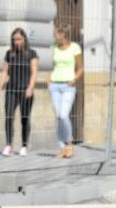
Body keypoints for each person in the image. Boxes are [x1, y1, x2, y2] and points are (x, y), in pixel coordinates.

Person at [0, 28, 38, 156]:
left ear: (24, 39)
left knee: (24, 118)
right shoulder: (9, 54)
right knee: (9, 116)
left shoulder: (32, 54)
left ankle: (24, 145)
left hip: (26, 91)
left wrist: (30, 87)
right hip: (11, 90)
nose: (16, 42)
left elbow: (34, 72)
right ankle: (9, 145)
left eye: (19, 39)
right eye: (14, 40)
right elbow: (4, 72)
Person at [49, 25, 83, 158]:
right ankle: (62, 148)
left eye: (56, 34)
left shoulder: (75, 47)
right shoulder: (54, 48)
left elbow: (80, 68)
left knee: (64, 115)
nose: (54, 36)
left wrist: (74, 79)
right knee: (58, 117)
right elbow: (53, 66)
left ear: (63, 34)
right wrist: (49, 79)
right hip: (54, 86)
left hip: (68, 86)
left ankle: (69, 143)